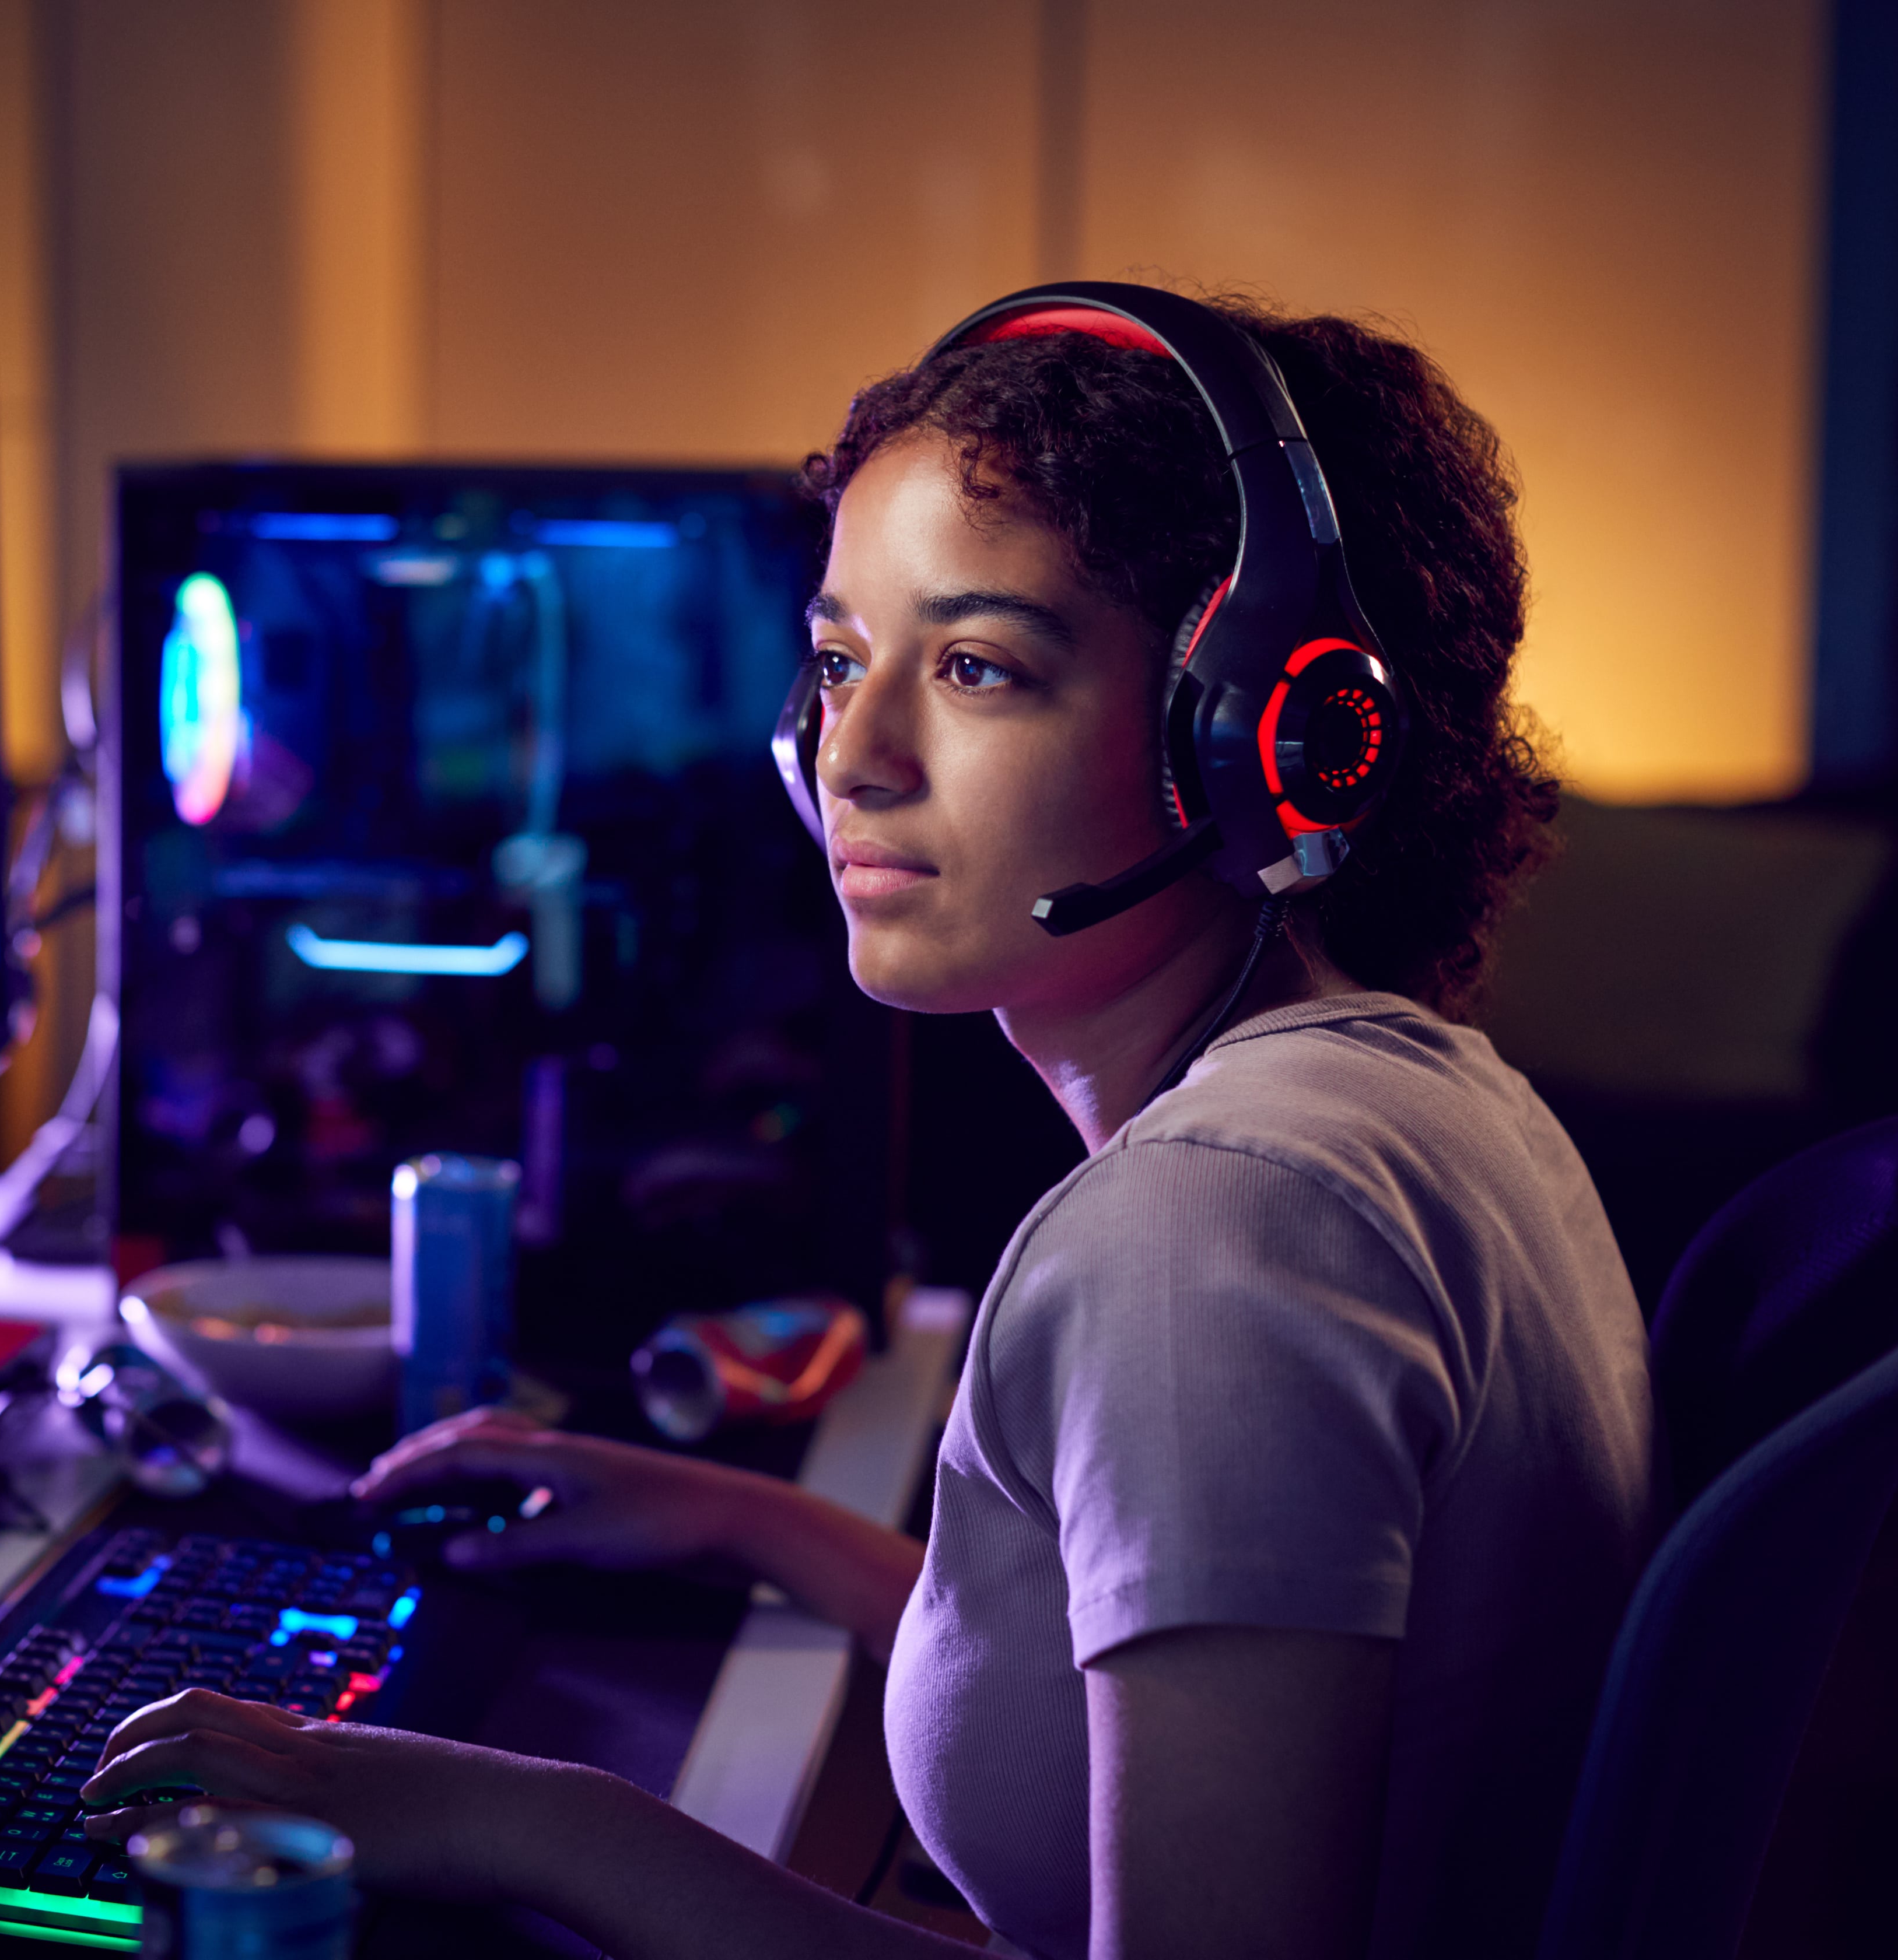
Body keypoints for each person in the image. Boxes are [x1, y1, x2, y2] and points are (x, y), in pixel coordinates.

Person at [80, 294, 1658, 1960]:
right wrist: (740, 1518)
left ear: (1264, 741)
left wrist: (519, 1814)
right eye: (840, 662)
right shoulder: (1422, 1098)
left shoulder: (1211, 1229)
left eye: (979, 667)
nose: (855, 755)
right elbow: (1165, 1668)